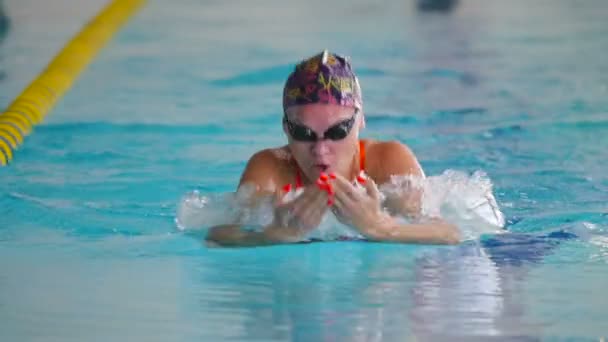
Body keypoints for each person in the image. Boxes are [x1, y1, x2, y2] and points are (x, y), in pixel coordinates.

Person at [207, 50, 460, 247]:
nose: (320, 150)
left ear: (360, 121)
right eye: (303, 133)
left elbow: (449, 233)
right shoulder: (271, 169)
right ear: (285, 127)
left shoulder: (386, 163)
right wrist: (272, 235)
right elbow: (220, 236)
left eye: (337, 132)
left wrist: (382, 227)